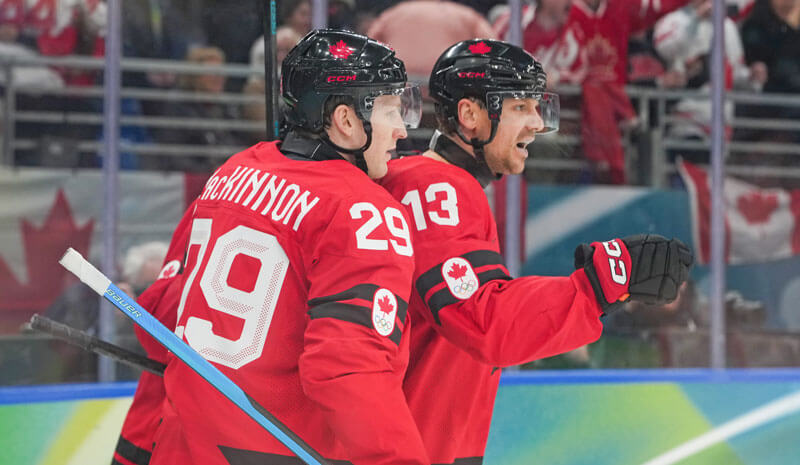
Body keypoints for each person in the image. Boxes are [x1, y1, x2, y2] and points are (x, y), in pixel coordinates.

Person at [378, 39, 694, 464]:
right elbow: (484, 321)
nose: (538, 124)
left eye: (536, 106)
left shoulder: (420, 181)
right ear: (471, 115)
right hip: (411, 449)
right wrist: (602, 284)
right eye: (520, 108)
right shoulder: (438, 189)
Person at [149, 29, 428, 465]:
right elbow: (348, 370)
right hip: (274, 451)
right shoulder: (364, 209)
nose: (401, 132)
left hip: (181, 445)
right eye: (392, 110)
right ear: (346, 120)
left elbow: (161, 312)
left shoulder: (233, 172)